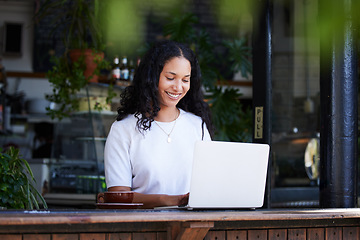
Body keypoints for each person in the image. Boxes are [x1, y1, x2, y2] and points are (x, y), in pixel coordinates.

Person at [104, 40, 214, 208]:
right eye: (170, 78)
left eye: (185, 80)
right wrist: (169, 201)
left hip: (193, 227)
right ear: (151, 77)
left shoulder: (196, 126)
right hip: (142, 229)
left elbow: (210, 186)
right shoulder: (123, 130)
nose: (178, 87)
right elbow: (118, 197)